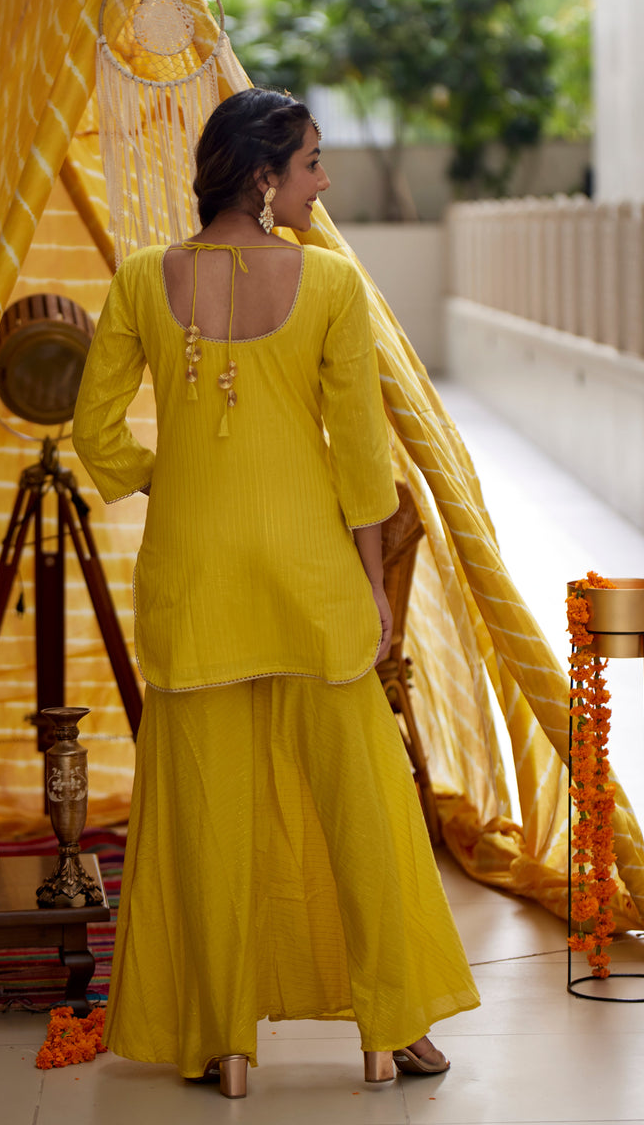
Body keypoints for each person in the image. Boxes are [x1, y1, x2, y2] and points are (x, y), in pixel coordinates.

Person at [72, 87, 479, 1099]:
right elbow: (362, 460)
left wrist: (171, 478)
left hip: (192, 580)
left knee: (207, 818)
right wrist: (371, 584)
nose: (322, 181)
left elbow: (95, 435)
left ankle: (224, 1044)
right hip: (310, 579)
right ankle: (392, 1029)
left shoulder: (140, 278)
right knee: (364, 811)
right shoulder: (329, 282)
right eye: (310, 163)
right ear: (262, 177)